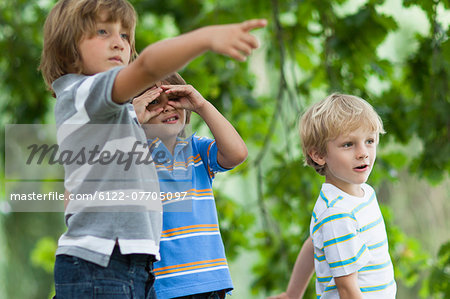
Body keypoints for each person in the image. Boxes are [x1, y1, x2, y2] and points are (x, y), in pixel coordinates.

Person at [39, 0, 266, 297]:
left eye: (124, 35)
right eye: (103, 32)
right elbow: (146, 66)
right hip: (101, 263)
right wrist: (205, 38)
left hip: (128, 266)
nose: (119, 44)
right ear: (68, 47)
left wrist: (139, 119)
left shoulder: (107, 113)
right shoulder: (84, 92)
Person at [132, 72, 247, 299]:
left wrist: (201, 105)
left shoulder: (197, 150)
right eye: (154, 102)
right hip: (163, 287)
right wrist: (130, 121)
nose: (167, 108)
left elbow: (237, 153)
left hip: (210, 282)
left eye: (173, 99)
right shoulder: (135, 155)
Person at [292, 93, 396, 298]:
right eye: (348, 144)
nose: (363, 152)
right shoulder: (337, 214)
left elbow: (314, 242)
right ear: (319, 155)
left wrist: (292, 293)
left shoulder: (363, 193)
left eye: (369, 141)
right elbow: (347, 289)